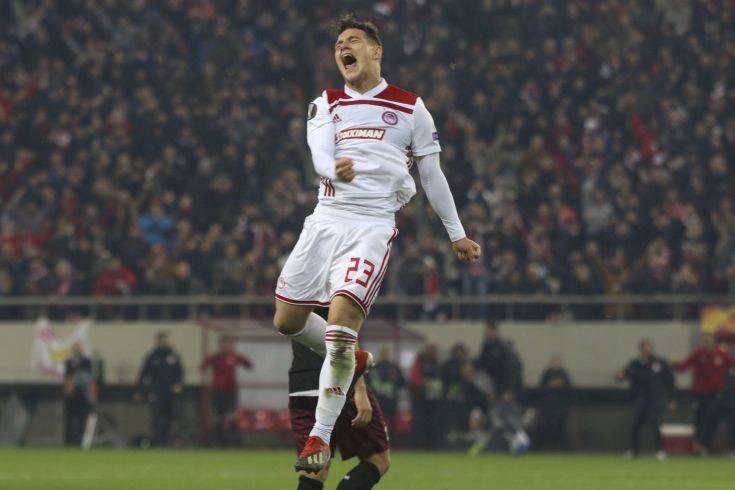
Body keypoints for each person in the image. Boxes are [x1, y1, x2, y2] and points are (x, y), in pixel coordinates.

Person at [272, 13, 480, 473]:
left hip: (370, 225)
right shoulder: (326, 102)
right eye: (338, 44)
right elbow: (318, 151)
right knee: (287, 320)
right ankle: (354, 358)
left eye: (352, 40)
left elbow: (432, 175)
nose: (343, 48)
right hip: (326, 218)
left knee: (340, 325)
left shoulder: (410, 107)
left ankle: (319, 436)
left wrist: (457, 232)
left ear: (375, 50)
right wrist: (333, 169)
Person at [289, 340, 390, 490]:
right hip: (339, 380)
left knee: (315, 467)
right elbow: (345, 333)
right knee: (378, 459)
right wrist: (360, 389)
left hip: (302, 386)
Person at [616, 339, 675, 460]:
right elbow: (624, 374)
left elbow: (670, 381)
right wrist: (620, 376)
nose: (647, 350)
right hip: (640, 399)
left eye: (649, 347)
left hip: (656, 399)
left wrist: (671, 399)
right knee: (635, 425)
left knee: (655, 424)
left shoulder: (660, 363)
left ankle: (659, 451)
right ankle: (633, 450)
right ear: (641, 349)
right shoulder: (636, 363)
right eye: (644, 348)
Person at [672, 333, 735, 446]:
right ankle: (699, 444)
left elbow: (732, 364)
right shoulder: (698, 353)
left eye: (710, 341)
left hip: (717, 394)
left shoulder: (721, 354)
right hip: (701, 393)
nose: (707, 344)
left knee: (713, 419)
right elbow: (684, 366)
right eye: (705, 341)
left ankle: (707, 444)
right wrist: (674, 364)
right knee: (700, 418)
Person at [476, 322, 529, 454]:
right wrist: (489, 390)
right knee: (499, 417)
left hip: (506, 389)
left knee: (509, 415)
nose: (487, 334)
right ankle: (514, 443)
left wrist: (509, 390)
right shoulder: (486, 347)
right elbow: (483, 370)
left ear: (495, 331)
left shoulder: (503, 347)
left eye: (489, 331)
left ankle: (523, 440)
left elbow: (510, 371)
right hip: (495, 390)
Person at [200, 336, 253, 446]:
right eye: (223, 344)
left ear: (230, 345)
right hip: (217, 391)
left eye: (227, 344)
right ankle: (219, 441)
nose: (225, 346)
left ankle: (234, 441)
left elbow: (248, 364)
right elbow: (203, 365)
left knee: (230, 416)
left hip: (231, 391)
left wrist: (246, 362)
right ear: (220, 345)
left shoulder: (234, 357)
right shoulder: (216, 358)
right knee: (218, 417)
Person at [136, 331, 184, 446]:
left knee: (170, 416)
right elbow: (143, 373)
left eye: (165, 340)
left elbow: (180, 374)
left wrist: (178, 384)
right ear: (157, 341)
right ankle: (157, 440)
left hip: (170, 393)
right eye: (161, 341)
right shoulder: (152, 357)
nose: (163, 343)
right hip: (156, 392)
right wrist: (140, 390)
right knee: (156, 416)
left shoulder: (174, 356)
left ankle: (167, 440)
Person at [409, 343, 443, 448]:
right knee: (421, 422)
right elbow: (414, 379)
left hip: (434, 399)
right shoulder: (420, 362)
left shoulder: (437, 363)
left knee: (433, 422)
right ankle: (420, 445)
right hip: (420, 398)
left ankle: (432, 445)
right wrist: (426, 382)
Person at [537, 355, 572, 451]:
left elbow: (569, 391)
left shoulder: (564, 374)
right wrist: (550, 385)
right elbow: (541, 389)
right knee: (547, 427)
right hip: (548, 406)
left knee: (560, 427)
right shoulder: (546, 374)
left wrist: (561, 385)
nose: (556, 364)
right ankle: (547, 446)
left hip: (560, 407)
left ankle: (560, 447)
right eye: (554, 362)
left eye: (558, 362)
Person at [63, 341, 94, 446]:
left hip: (83, 395)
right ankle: (69, 441)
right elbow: (68, 377)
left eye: (80, 348)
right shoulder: (69, 362)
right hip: (72, 394)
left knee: (82, 419)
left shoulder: (87, 361)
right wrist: (68, 390)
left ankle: (81, 440)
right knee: (70, 419)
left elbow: (88, 378)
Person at [368, 346, 404, 433]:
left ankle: (393, 439)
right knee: (378, 422)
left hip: (392, 401)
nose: (386, 355)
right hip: (378, 401)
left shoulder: (394, 368)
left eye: (387, 353)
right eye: (384, 353)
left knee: (392, 422)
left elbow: (402, 382)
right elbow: (370, 382)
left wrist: (396, 380)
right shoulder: (375, 368)